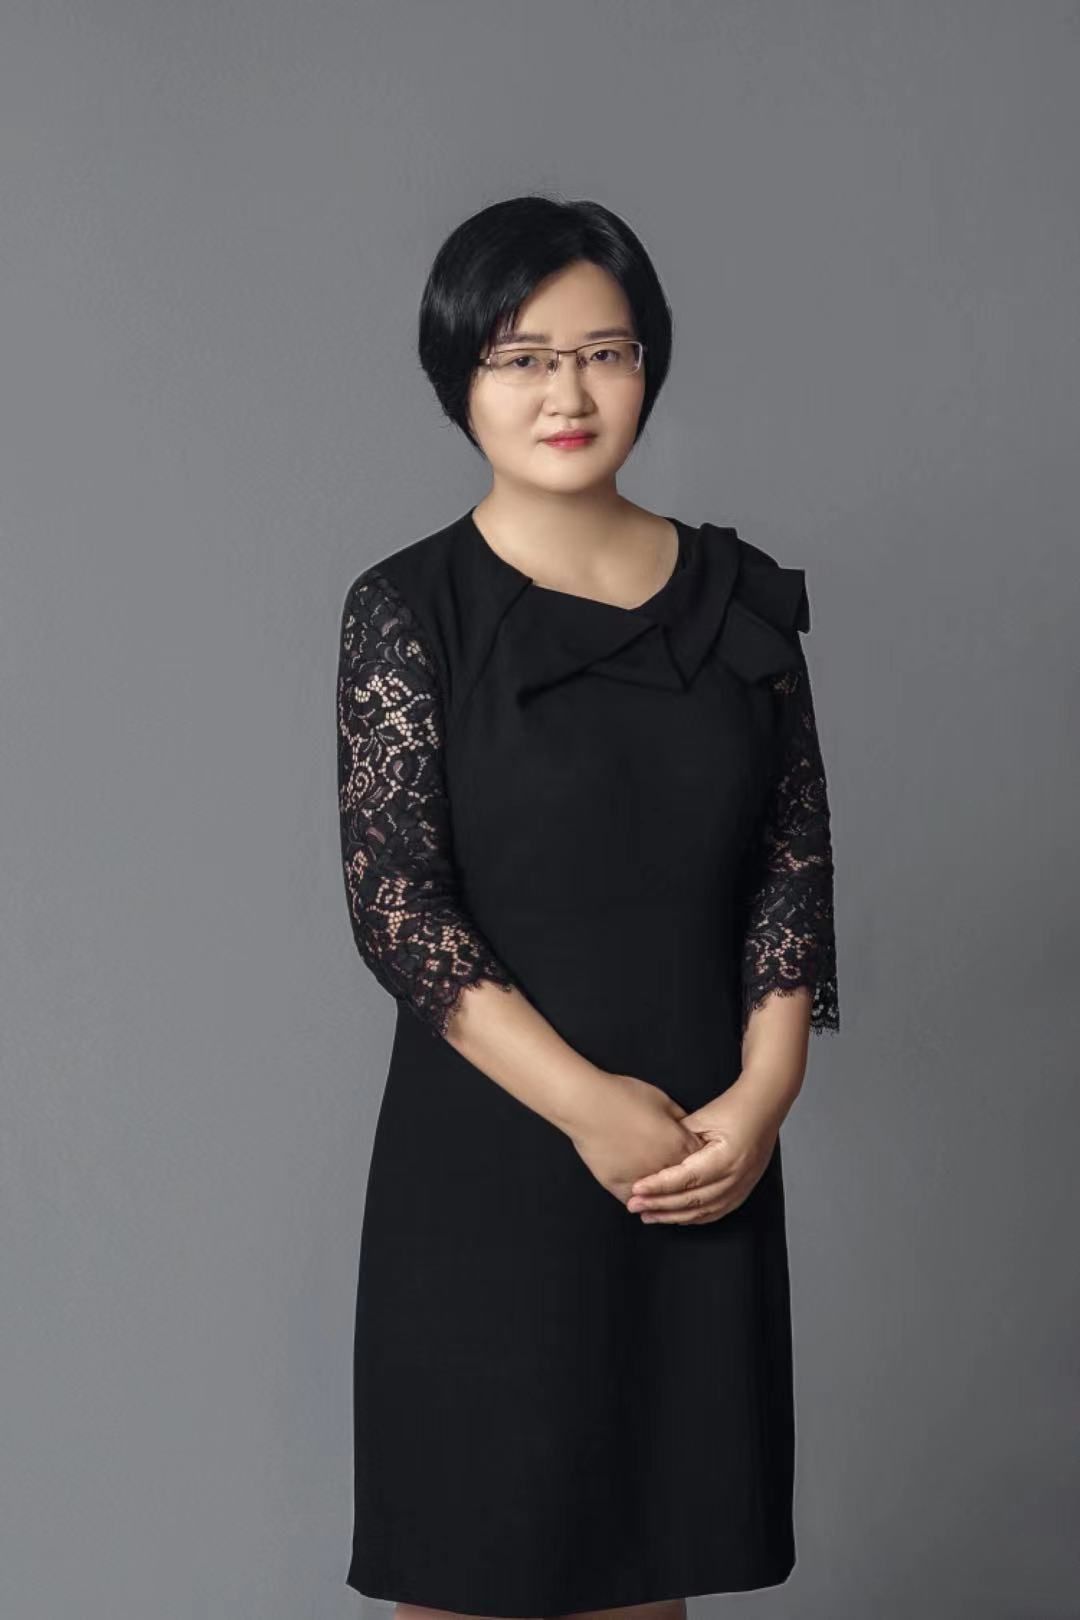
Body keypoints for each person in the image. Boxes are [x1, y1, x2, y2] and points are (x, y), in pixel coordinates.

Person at [336, 193, 839, 1620]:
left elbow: (792, 865)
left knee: (645, 1572)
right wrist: (586, 1107)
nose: (568, 394)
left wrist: (761, 1099)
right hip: (491, 1157)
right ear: (460, 378)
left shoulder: (740, 599)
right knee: (468, 1569)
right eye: (522, 358)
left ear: (648, 367)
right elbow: (398, 906)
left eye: (604, 353)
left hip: (698, 1154)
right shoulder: (408, 608)